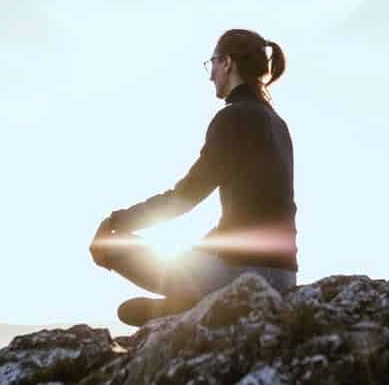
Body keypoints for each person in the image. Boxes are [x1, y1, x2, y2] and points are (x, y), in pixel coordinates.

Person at [89, 28, 298, 326]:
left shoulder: (234, 116)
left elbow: (185, 196)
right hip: (284, 276)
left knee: (111, 245)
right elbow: (259, 209)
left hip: (243, 275)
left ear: (227, 63)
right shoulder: (277, 123)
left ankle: (188, 308)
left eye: (212, 63)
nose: (210, 74)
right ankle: (188, 306)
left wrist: (117, 222)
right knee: (193, 254)